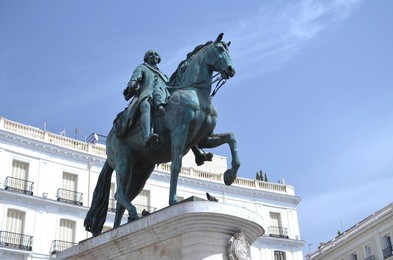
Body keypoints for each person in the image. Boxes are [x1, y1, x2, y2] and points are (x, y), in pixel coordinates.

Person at [115, 50, 170, 146]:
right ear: (146, 58)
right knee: (146, 106)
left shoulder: (164, 75)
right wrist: (131, 86)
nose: (154, 56)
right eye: (151, 54)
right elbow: (135, 79)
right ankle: (146, 136)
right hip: (147, 94)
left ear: (159, 58)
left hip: (164, 96)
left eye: (156, 54)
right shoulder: (142, 68)